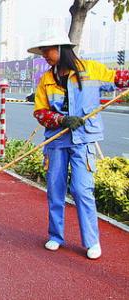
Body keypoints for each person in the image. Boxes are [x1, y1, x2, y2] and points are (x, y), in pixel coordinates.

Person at [28, 31, 129, 259]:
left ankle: (91, 241)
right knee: (55, 189)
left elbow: (117, 78)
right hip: (56, 140)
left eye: (47, 50)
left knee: (82, 190)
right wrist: (61, 120)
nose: (44, 55)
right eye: (43, 51)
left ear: (62, 49)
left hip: (83, 140)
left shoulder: (91, 69)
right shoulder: (46, 79)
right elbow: (40, 111)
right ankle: (55, 236)